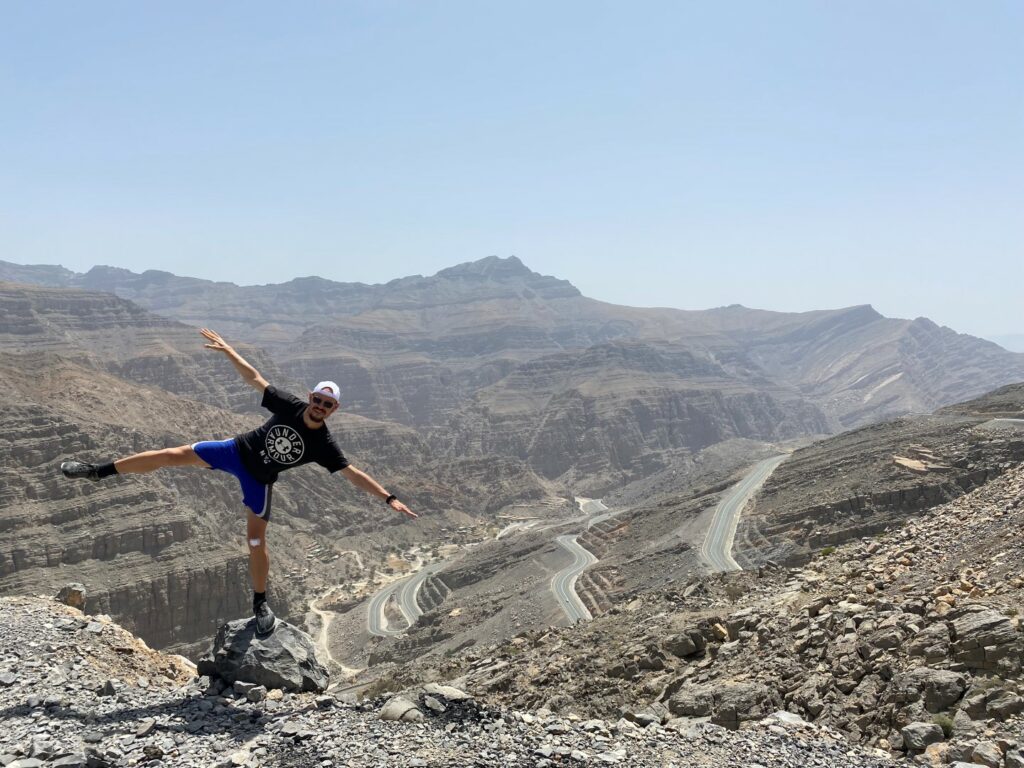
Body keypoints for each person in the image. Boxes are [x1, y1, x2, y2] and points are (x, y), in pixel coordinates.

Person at [61, 328, 417, 635]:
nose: (320, 406)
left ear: (333, 410)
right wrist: (231, 351)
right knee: (170, 455)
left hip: (258, 479)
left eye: (327, 404)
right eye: (318, 399)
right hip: (234, 451)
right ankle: (97, 471)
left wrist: (388, 498)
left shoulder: (324, 445)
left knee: (255, 540)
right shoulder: (290, 406)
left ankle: (260, 604)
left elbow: (352, 474)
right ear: (310, 398)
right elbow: (254, 379)